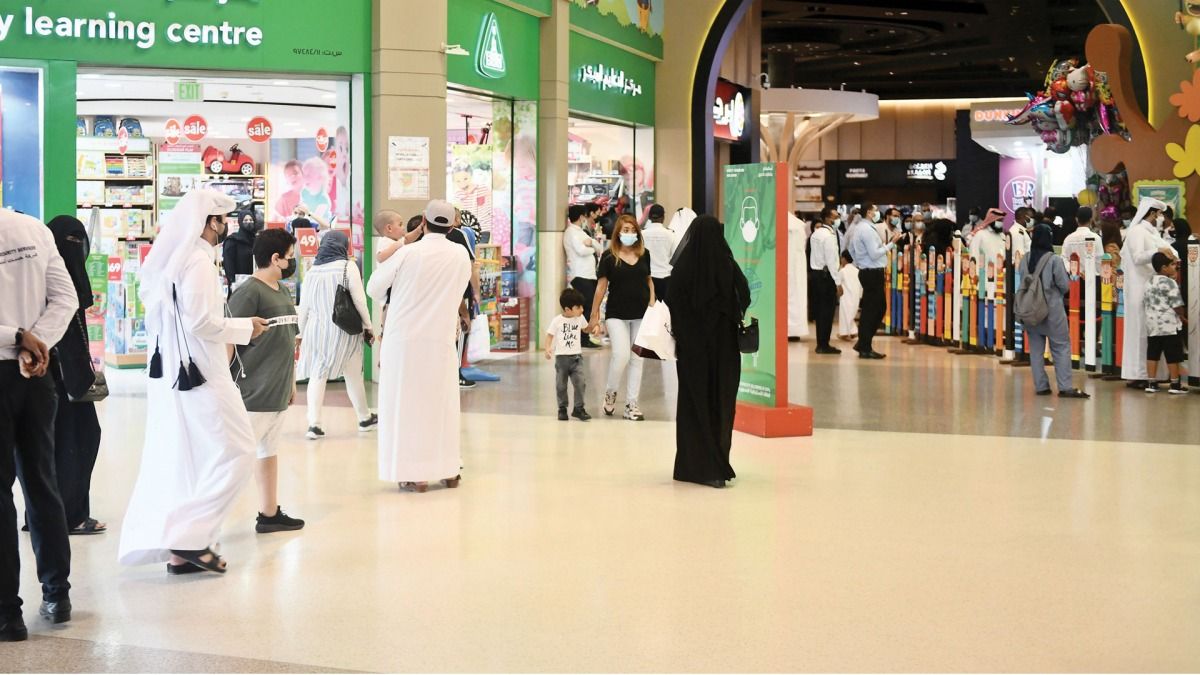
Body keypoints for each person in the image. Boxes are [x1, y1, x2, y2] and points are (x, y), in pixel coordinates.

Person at [119, 189, 271, 575]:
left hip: (177, 375)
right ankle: (189, 537)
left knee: (195, 457)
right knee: (239, 450)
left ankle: (182, 550)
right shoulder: (199, 262)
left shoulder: (175, 259)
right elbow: (200, 321)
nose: (227, 226)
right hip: (203, 375)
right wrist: (245, 328)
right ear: (209, 223)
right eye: (223, 220)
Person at [0, 209, 79, 640]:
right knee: (42, 481)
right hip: (36, 374)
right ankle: (57, 593)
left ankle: (7, 614)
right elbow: (66, 299)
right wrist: (37, 343)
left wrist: (17, 338)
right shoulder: (32, 229)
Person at [367, 200, 472, 493]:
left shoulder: (408, 253)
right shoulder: (460, 255)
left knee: (405, 406)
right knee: (442, 405)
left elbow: (374, 288)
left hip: (404, 342)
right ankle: (448, 470)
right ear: (451, 226)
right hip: (441, 340)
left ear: (423, 220)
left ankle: (415, 475)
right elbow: (459, 290)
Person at [227, 229, 305, 533]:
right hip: (253, 393)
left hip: (277, 391)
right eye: (290, 256)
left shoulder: (282, 290)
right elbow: (228, 338)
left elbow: (288, 339)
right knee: (237, 460)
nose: (292, 262)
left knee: (268, 452)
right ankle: (205, 526)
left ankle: (269, 513)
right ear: (275, 258)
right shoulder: (249, 293)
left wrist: (291, 382)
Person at [667, 215, 750, 489]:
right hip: (724, 351)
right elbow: (744, 295)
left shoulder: (682, 268)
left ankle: (693, 466)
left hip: (692, 352)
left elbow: (672, 303)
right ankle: (718, 465)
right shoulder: (727, 265)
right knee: (721, 404)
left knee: (693, 404)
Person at [43, 217, 106, 536]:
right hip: (60, 376)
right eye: (71, 242)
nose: (77, 249)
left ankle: (44, 513)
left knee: (56, 443)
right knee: (80, 438)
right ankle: (72, 516)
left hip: (56, 375)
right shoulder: (58, 282)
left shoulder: (49, 275)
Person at [297, 230, 377, 440]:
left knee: (318, 374)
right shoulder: (347, 266)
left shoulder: (313, 270)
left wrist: (300, 332)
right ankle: (362, 418)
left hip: (316, 330)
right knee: (353, 374)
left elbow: (304, 306)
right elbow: (359, 300)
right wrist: (368, 325)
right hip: (344, 329)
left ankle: (315, 424)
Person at [587, 214, 654, 421]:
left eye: (633, 230)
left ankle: (631, 404)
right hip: (616, 313)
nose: (629, 233)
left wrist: (652, 302)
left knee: (637, 358)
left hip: (641, 313)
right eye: (625, 230)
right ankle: (610, 392)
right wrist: (594, 314)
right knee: (621, 355)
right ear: (618, 232)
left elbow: (648, 279)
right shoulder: (609, 256)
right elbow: (601, 287)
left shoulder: (644, 254)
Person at [1021, 224, 1090, 398]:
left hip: (1030, 311)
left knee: (1036, 350)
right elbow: (1065, 285)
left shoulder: (1025, 259)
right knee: (1060, 347)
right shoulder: (1054, 260)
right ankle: (1065, 387)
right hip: (1052, 311)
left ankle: (1041, 386)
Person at [1120, 197, 1177, 388]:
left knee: (1152, 333)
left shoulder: (1152, 233)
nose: (1161, 218)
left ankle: (1154, 375)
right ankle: (1139, 374)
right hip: (1139, 289)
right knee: (1140, 332)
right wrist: (1157, 251)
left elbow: (1170, 251)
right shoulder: (1137, 231)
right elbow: (1138, 257)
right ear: (1152, 213)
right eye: (1159, 214)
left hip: (1152, 290)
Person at [846, 202, 902, 359]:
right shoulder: (867, 230)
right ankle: (865, 346)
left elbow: (851, 250)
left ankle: (863, 343)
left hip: (868, 271)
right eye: (876, 210)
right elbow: (875, 253)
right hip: (872, 273)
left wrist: (860, 263)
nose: (878, 213)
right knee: (875, 310)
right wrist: (892, 243)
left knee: (872, 309)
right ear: (869, 213)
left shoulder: (861, 228)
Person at [1143, 252, 1188, 394]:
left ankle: (1151, 383)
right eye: (1172, 265)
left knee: (1152, 354)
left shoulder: (1148, 282)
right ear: (1164, 267)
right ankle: (1175, 385)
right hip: (1169, 325)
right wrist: (1183, 316)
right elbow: (1177, 304)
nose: (1175, 267)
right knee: (1172, 355)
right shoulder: (1170, 283)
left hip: (1152, 324)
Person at [544, 288, 591, 422]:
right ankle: (562, 408)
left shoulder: (580, 318)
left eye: (582, 306)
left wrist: (594, 327)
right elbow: (549, 335)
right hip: (561, 359)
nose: (582, 309)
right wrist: (547, 349)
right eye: (578, 307)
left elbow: (586, 329)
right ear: (567, 309)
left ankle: (578, 408)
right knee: (561, 385)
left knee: (581, 383)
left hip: (577, 358)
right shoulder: (557, 321)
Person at [563, 204, 603, 349]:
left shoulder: (581, 232)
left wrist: (591, 244)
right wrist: (591, 247)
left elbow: (600, 247)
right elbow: (581, 251)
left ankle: (585, 337)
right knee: (584, 307)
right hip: (580, 275)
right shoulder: (571, 232)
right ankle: (582, 338)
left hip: (589, 275)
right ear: (581, 217)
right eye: (584, 216)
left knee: (589, 306)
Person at [808, 207, 843, 354]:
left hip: (816, 275)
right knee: (827, 312)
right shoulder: (829, 236)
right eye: (836, 216)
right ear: (828, 218)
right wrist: (838, 282)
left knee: (820, 311)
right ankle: (823, 345)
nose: (838, 219)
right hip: (826, 276)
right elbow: (831, 261)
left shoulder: (816, 233)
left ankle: (821, 343)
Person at [641, 204, 677, 302]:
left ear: (649, 217)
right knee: (664, 309)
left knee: (649, 308)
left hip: (647, 277)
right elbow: (674, 256)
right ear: (663, 217)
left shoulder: (642, 234)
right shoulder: (671, 234)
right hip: (666, 277)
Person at [786, 211, 810, 342]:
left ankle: (790, 329)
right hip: (797, 266)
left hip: (790, 265)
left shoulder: (791, 226)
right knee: (795, 296)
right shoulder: (798, 226)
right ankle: (794, 330)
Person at [222, 210, 260, 288]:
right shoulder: (232, 241)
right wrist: (233, 283)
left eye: (251, 220)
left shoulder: (257, 241)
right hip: (238, 285)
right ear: (240, 222)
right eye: (245, 220)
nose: (248, 222)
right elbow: (228, 265)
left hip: (255, 285)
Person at [837, 251, 862, 342]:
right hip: (855, 297)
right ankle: (853, 331)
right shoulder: (857, 271)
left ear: (844, 259)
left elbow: (838, 282)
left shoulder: (842, 271)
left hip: (846, 297)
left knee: (845, 315)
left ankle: (844, 333)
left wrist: (838, 293)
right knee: (851, 315)